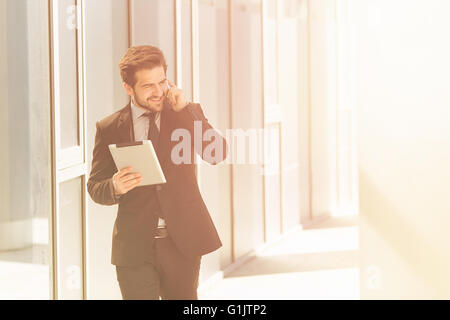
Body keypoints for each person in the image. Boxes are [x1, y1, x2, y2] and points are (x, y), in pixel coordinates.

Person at [87, 45, 227, 300]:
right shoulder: (109, 127)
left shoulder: (182, 115)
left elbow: (216, 153)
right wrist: (115, 186)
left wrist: (185, 109)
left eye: (162, 82)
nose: (158, 92)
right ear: (128, 88)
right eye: (148, 86)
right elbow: (95, 186)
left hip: (181, 243)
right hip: (133, 248)